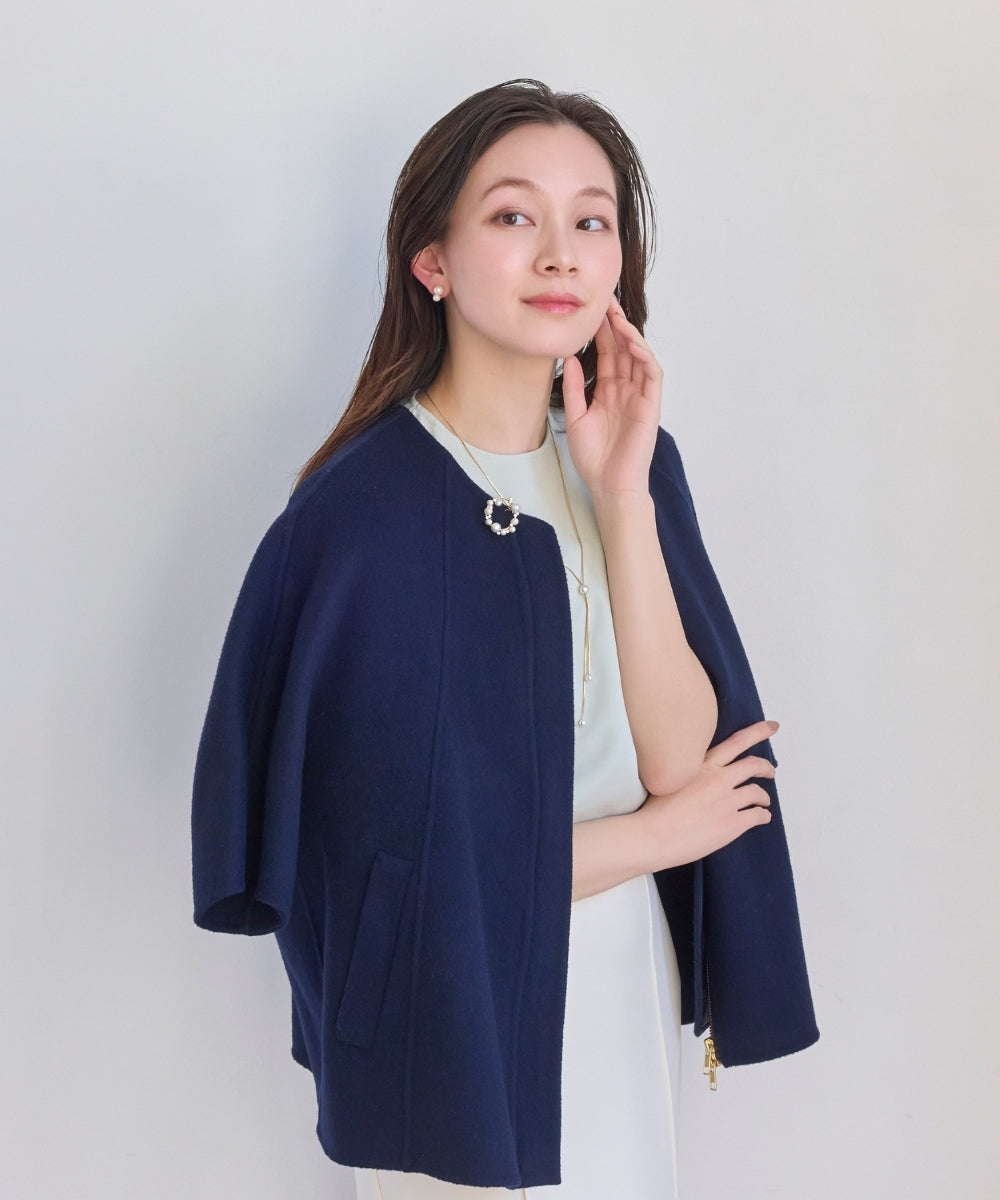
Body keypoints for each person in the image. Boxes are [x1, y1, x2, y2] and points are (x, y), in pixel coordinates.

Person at [191, 79, 818, 1200]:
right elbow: (389, 865)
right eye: (514, 215)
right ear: (432, 260)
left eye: (592, 221)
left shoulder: (632, 463)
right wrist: (656, 838)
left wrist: (621, 499)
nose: (559, 254)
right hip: (451, 1000)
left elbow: (681, 759)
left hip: (619, 962)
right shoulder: (363, 516)